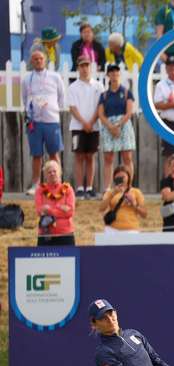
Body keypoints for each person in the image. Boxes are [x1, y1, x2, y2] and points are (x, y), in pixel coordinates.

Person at [21, 48, 65, 195]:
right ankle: (36, 185)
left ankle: (58, 184)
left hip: (51, 120)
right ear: (31, 61)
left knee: (54, 153)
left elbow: (61, 97)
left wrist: (52, 108)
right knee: (36, 154)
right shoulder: (27, 79)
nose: (38, 61)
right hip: (34, 121)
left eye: (40, 58)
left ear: (45, 60)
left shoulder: (55, 77)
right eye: (35, 59)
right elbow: (25, 98)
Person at [68, 56, 103, 199]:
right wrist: (84, 123)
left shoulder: (98, 86)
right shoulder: (73, 87)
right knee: (79, 156)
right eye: (82, 66)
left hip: (94, 127)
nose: (84, 68)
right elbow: (73, 108)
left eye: (87, 65)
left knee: (90, 156)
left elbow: (100, 106)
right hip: (77, 126)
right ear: (78, 68)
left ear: (91, 67)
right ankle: (79, 188)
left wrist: (92, 121)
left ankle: (89, 187)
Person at [97, 63, 136, 191]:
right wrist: (110, 127)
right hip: (108, 126)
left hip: (123, 125)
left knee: (127, 157)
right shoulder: (104, 95)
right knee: (108, 158)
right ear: (108, 75)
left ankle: (128, 186)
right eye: (112, 72)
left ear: (119, 74)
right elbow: (101, 114)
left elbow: (129, 112)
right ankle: (107, 187)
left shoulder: (126, 92)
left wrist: (118, 125)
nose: (114, 75)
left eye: (116, 72)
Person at [34, 160, 75, 246]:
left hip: (65, 233)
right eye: (49, 172)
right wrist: (60, 207)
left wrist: (49, 210)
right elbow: (39, 211)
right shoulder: (40, 190)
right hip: (46, 233)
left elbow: (70, 212)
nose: (52, 174)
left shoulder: (68, 189)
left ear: (60, 173)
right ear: (45, 175)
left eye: (54, 171)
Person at [100, 165, 147, 233]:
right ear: (114, 178)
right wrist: (112, 194)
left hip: (131, 229)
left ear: (128, 177)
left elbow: (144, 214)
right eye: (118, 177)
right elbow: (101, 208)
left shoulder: (136, 192)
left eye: (123, 177)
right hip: (112, 229)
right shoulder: (110, 192)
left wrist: (134, 204)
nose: (121, 179)